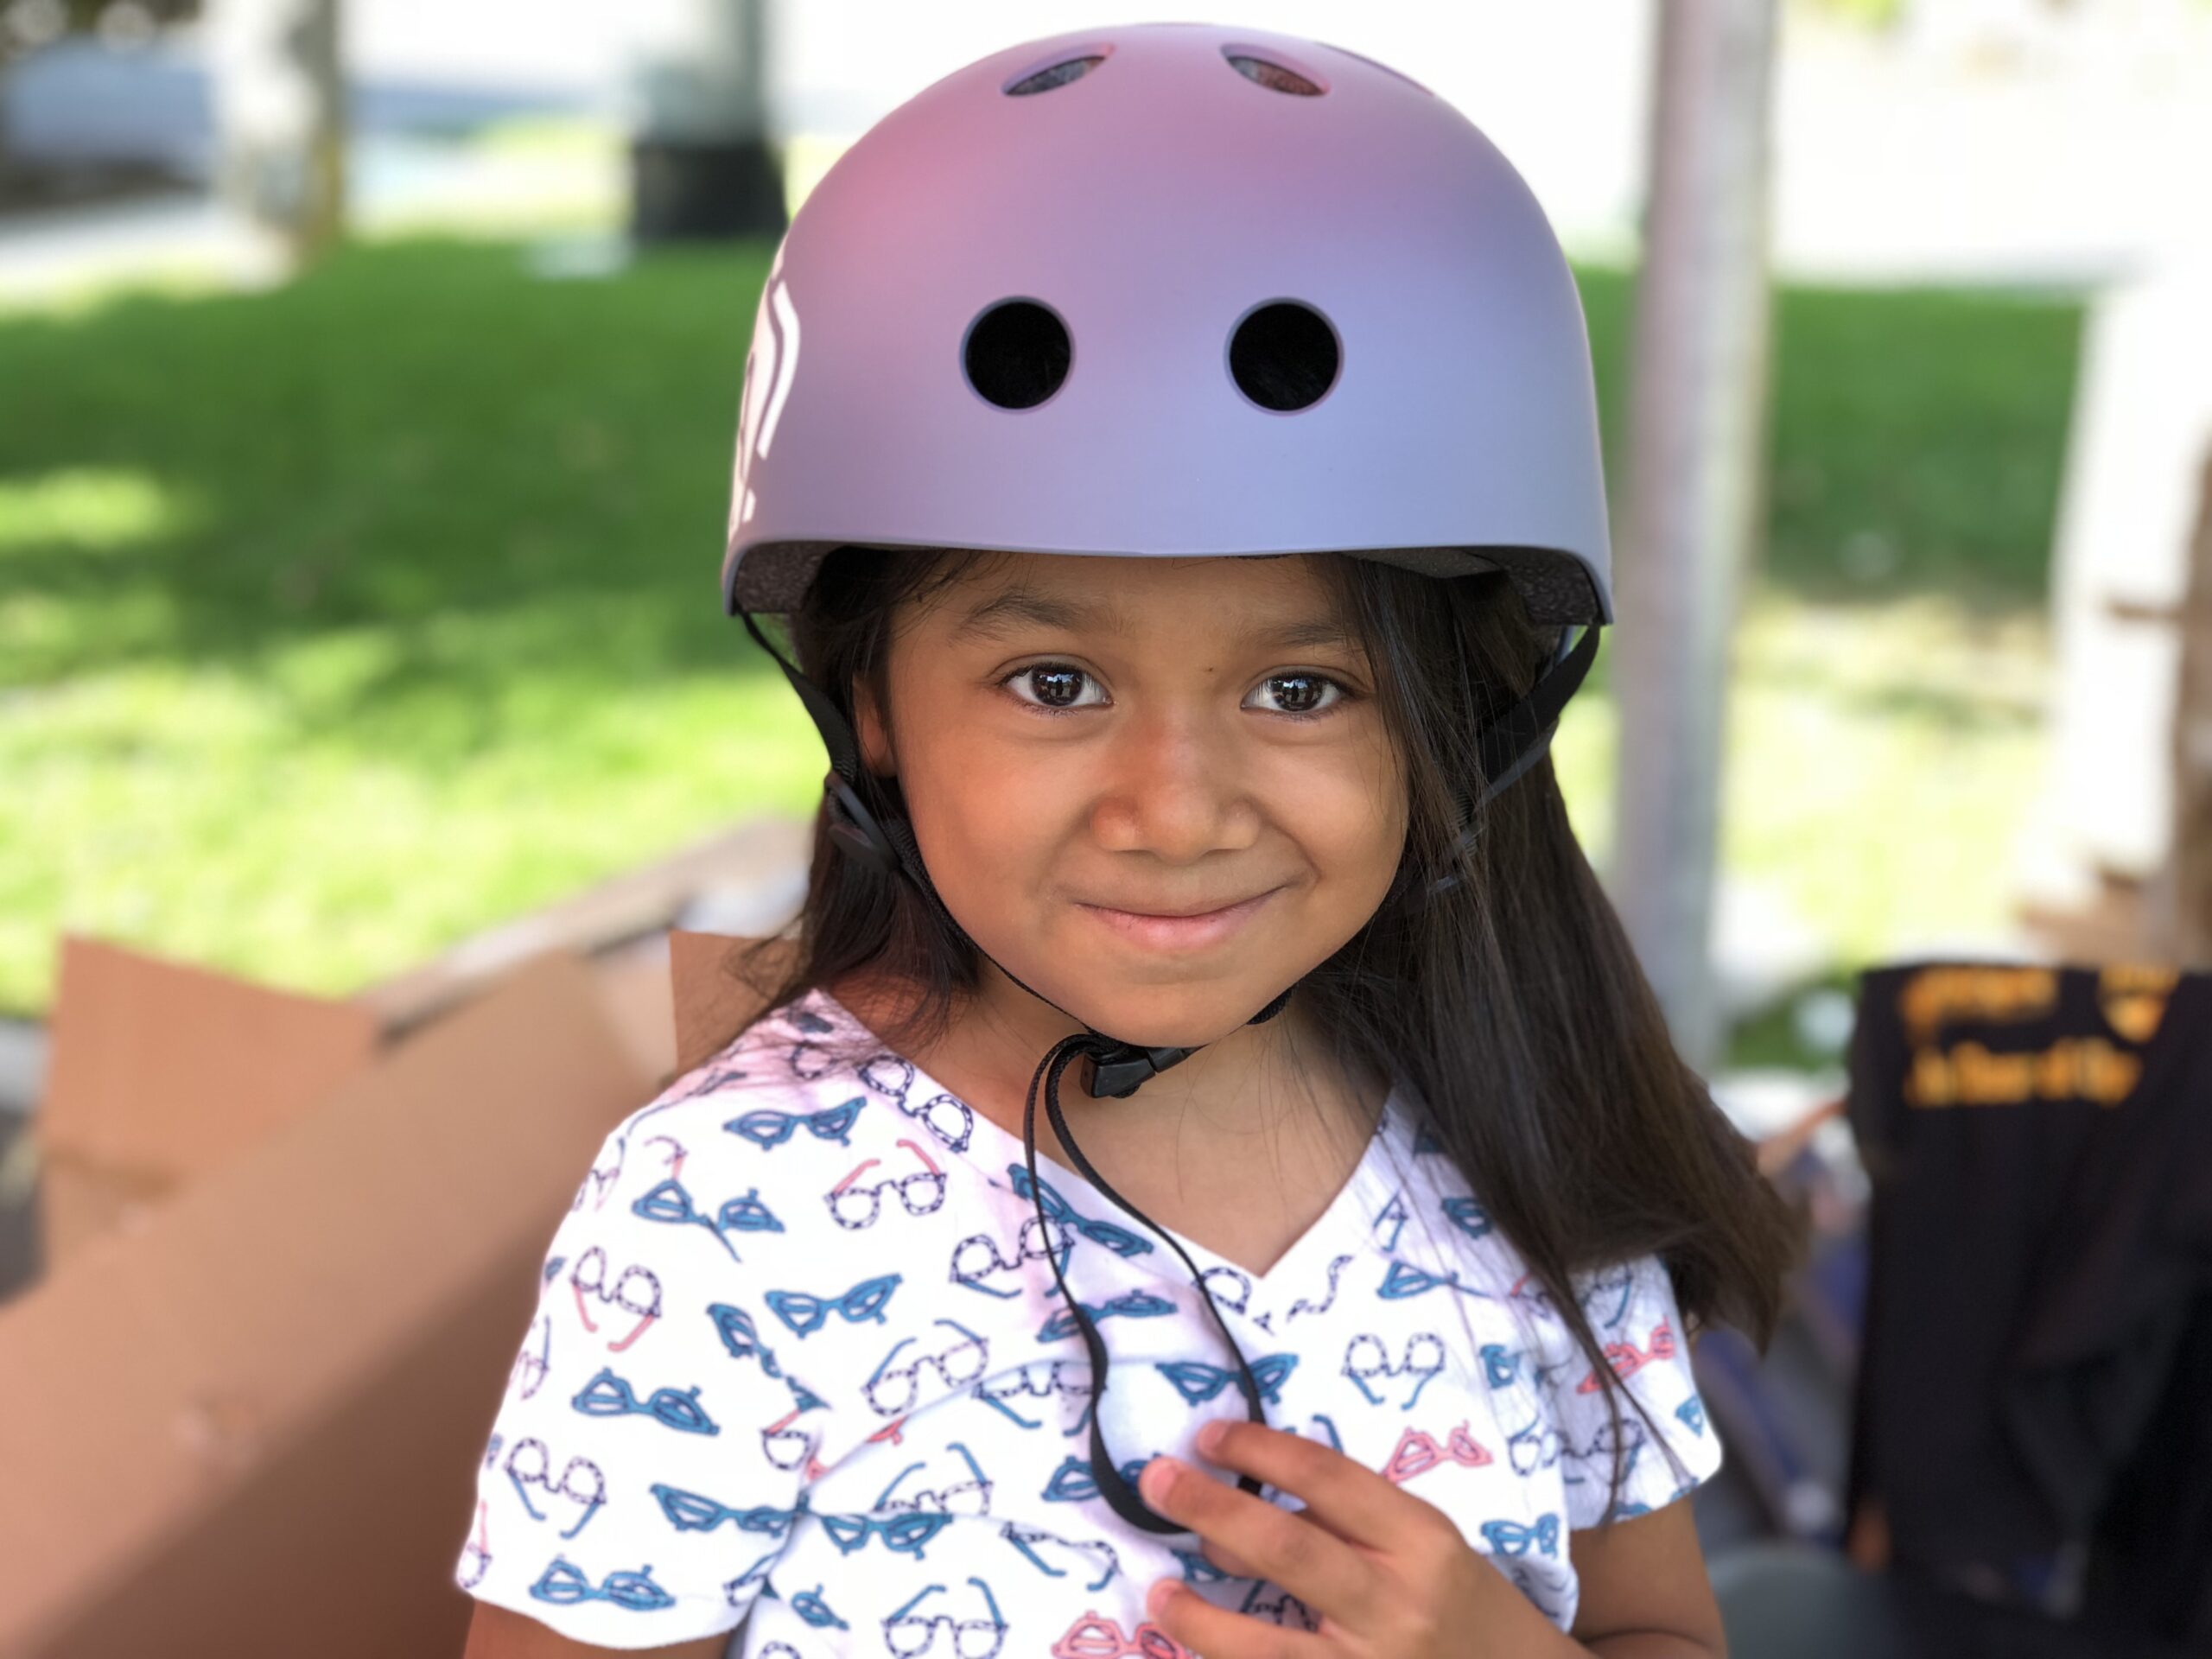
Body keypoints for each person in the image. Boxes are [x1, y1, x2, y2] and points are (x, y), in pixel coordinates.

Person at [457, 21, 1802, 1658]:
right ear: (865, 700)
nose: (1174, 808)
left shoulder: (1522, 1124)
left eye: (1303, 687)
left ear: (1465, 719)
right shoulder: (728, 1214)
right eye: (1055, 680)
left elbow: (1665, 1628)